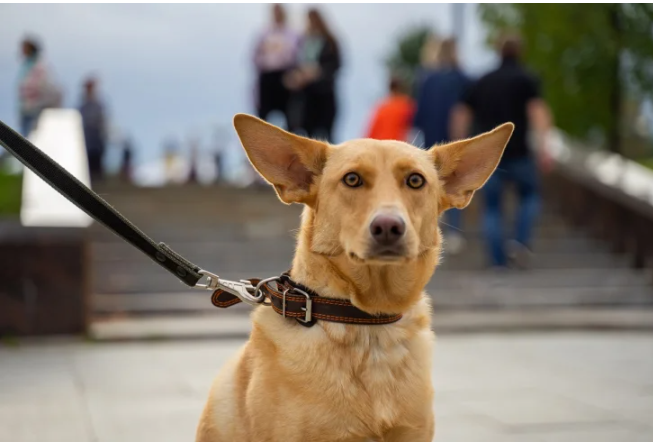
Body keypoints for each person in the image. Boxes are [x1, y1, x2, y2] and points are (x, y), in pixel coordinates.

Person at [451, 34, 553, 269]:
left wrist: (459, 148)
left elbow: (460, 114)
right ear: (520, 52)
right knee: (530, 196)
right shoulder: (527, 79)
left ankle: (497, 262)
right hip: (520, 154)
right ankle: (519, 241)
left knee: (492, 207)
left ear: (498, 51)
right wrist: (545, 147)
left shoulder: (483, 81)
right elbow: (538, 113)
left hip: (490, 158)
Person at [413, 38, 470, 254]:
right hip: (456, 143)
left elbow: (418, 116)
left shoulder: (427, 79)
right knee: (455, 186)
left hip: (432, 142)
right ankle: (454, 232)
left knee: (431, 186)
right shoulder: (463, 79)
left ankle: (429, 231)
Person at [285, 8, 341, 142]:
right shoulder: (302, 42)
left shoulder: (329, 42)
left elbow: (335, 65)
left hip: (324, 94)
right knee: (307, 134)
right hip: (306, 96)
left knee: (326, 133)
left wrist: (317, 73)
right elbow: (293, 65)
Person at [253, 4, 299, 128]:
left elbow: (294, 55)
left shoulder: (292, 34)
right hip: (267, 75)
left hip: (284, 76)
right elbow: (255, 55)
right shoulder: (264, 33)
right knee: (263, 115)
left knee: (288, 115)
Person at [17, 36, 61, 137]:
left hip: (36, 109)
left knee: (31, 139)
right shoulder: (27, 66)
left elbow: (44, 87)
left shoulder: (39, 66)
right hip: (26, 109)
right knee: (25, 138)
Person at [365, 76, 415, 142]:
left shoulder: (382, 107)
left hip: (382, 144)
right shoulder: (407, 106)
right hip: (399, 145)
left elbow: (372, 131)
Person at [79, 77, 108, 182]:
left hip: (97, 137)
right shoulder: (83, 106)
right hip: (87, 138)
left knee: (98, 160)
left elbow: (102, 120)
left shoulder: (98, 105)